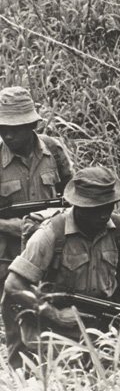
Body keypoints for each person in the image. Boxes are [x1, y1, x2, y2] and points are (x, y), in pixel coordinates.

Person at [1, 166, 120, 369]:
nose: (103, 215)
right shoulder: (51, 234)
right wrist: (54, 315)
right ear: (79, 205)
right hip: (55, 328)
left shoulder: (119, 228)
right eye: (96, 208)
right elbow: (14, 286)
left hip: (100, 324)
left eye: (108, 206)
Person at [0, 86, 74, 283]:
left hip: (51, 253)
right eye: (3, 128)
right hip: (7, 257)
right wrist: (11, 226)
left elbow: (72, 196)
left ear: (32, 124)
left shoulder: (53, 150)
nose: (8, 136)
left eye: (15, 128)